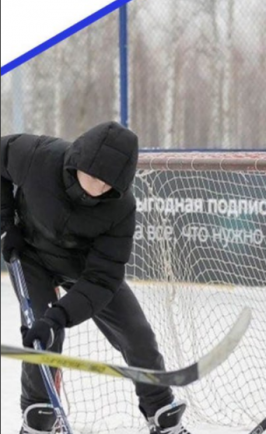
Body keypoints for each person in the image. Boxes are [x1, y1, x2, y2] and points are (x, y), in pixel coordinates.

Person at [0, 122, 190, 434]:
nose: (99, 188)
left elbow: (104, 278)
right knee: (42, 337)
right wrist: (6, 223)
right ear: (78, 161)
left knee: (138, 334)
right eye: (94, 176)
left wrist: (59, 315)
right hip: (32, 254)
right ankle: (39, 416)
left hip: (84, 268)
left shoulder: (121, 208)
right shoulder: (37, 156)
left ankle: (160, 412)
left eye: (109, 184)